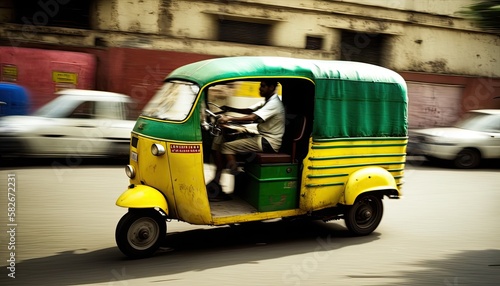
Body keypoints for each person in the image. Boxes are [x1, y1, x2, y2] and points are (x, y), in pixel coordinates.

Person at [207, 80, 285, 201]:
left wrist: (229, 118)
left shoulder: (274, 103)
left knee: (227, 147)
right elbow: (250, 111)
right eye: (260, 86)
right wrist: (229, 108)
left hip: (268, 141)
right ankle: (218, 181)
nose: (260, 89)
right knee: (228, 136)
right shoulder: (267, 101)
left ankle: (238, 179)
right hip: (262, 137)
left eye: (263, 86)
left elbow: (253, 117)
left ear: (271, 87)